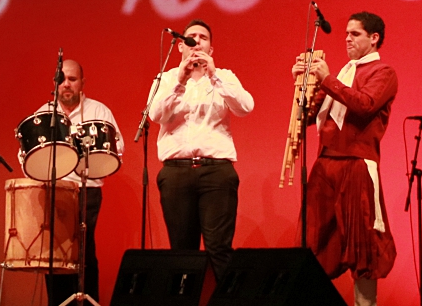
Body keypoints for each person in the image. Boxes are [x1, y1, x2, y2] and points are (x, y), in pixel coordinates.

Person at [292, 11, 397, 306]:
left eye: (355, 34)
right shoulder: (343, 72)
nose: (347, 39)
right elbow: (311, 118)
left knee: (362, 244)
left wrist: (327, 79)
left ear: (374, 38)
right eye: (346, 33)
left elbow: (364, 105)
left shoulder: (383, 72)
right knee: (313, 238)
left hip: (356, 162)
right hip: (326, 162)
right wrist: (301, 86)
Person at [148, 19, 254, 280]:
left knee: (219, 248)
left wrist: (214, 75)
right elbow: (156, 114)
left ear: (210, 48)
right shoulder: (166, 78)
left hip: (216, 172)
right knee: (183, 252)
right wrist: (180, 81)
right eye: (191, 37)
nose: (196, 42)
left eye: (202, 37)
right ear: (181, 47)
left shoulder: (224, 76)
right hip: (176, 172)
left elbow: (245, 107)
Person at [29, 59, 123, 304]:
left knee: (84, 253)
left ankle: (87, 301)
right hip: (55, 191)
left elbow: (118, 147)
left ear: (82, 83)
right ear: (55, 84)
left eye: (72, 79)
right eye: (62, 80)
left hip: (87, 190)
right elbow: (26, 155)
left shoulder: (99, 111)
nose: (66, 85)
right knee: (55, 257)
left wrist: (91, 157)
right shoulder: (43, 114)